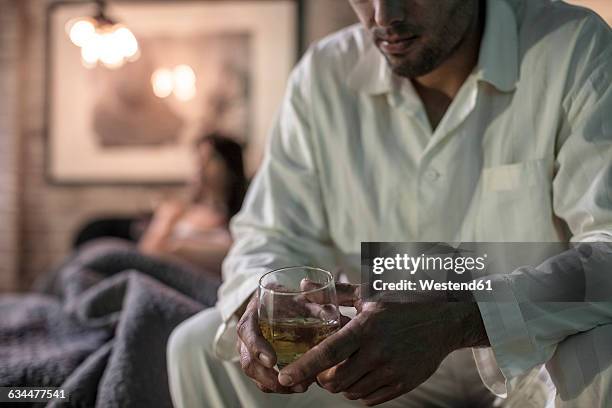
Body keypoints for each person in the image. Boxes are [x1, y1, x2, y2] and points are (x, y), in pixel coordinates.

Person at [167, 0, 612, 407]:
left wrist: (465, 317)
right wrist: (260, 307)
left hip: (537, 364)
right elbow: (269, 235)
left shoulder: (572, 46)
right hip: (373, 363)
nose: (383, 16)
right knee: (197, 346)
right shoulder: (322, 75)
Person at [138, 133, 248, 275]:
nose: (200, 165)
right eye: (199, 158)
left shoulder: (243, 216)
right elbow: (146, 254)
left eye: (210, 158)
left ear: (229, 167)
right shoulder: (178, 210)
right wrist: (166, 220)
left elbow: (237, 256)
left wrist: (179, 249)